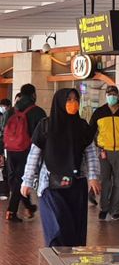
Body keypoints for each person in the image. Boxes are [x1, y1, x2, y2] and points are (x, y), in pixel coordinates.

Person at [20, 89, 101, 246]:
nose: (73, 103)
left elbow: (91, 153)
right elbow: (34, 155)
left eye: (75, 99)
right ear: (59, 102)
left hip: (76, 184)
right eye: (68, 99)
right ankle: (58, 263)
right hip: (51, 185)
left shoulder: (82, 126)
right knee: (58, 226)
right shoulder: (46, 125)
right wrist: (27, 181)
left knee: (75, 229)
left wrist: (93, 177)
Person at [2, 84, 46, 222]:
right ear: (33, 95)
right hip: (27, 150)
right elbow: (43, 134)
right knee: (20, 180)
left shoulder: (11, 111)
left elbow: (3, 129)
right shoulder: (38, 111)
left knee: (15, 179)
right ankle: (11, 211)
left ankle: (28, 206)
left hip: (10, 149)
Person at [89, 85, 119, 221]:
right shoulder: (99, 112)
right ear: (106, 96)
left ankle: (115, 210)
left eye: (113, 94)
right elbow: (91, 132)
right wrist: (98, 147)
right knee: (105, 181)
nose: (111, 96)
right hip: (104, 152)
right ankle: (104, 208)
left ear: (118, 96)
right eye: (109, 94)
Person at [0, 98, 12, 201]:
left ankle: (4, 191)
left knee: (4, 169)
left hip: (6, 146)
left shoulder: (7, 115)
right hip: (5, 146)